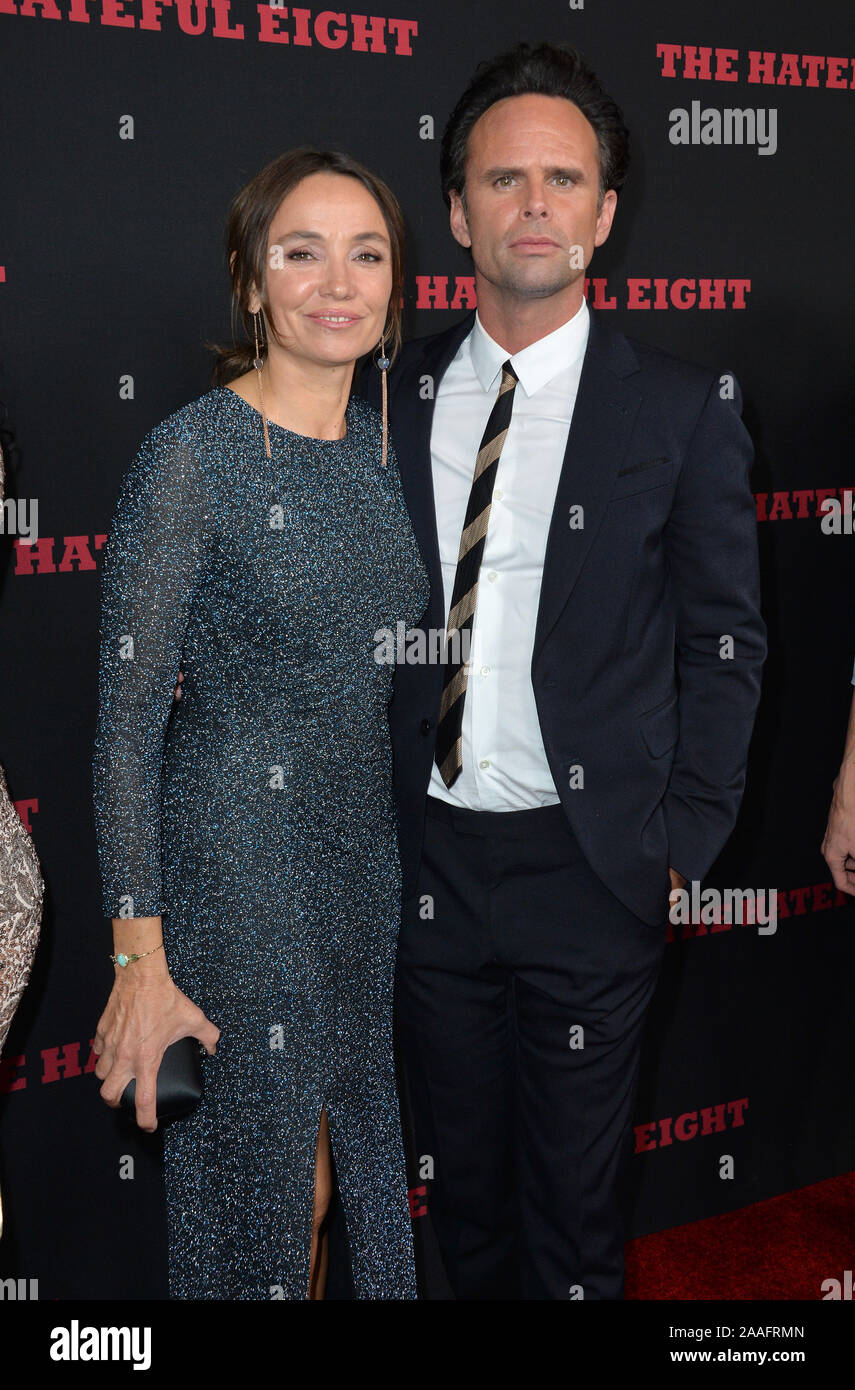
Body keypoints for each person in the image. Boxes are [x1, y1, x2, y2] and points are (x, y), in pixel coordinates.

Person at [360, 42, 767, 1299]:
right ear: (457, 212)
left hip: (593, 870)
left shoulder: (681, 406)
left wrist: (679, 845)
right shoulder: (386, 390)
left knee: (576, 1224)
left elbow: (728, 638)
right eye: (503, 178)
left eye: (561, 178)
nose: (532, 202)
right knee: (463, 1203)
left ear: (601, 214)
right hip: (425, 863)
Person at [91, 148, 428, 1300]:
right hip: (236, 863)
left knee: (350, 1174)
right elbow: (126, 731)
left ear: (397, 283)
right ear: (249, 280)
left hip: (361, 869)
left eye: (366, 252)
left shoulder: (390, 456)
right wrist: (140, 958)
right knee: (275, 1194)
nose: (338, 281)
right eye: (301, 251)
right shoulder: (189, 458)